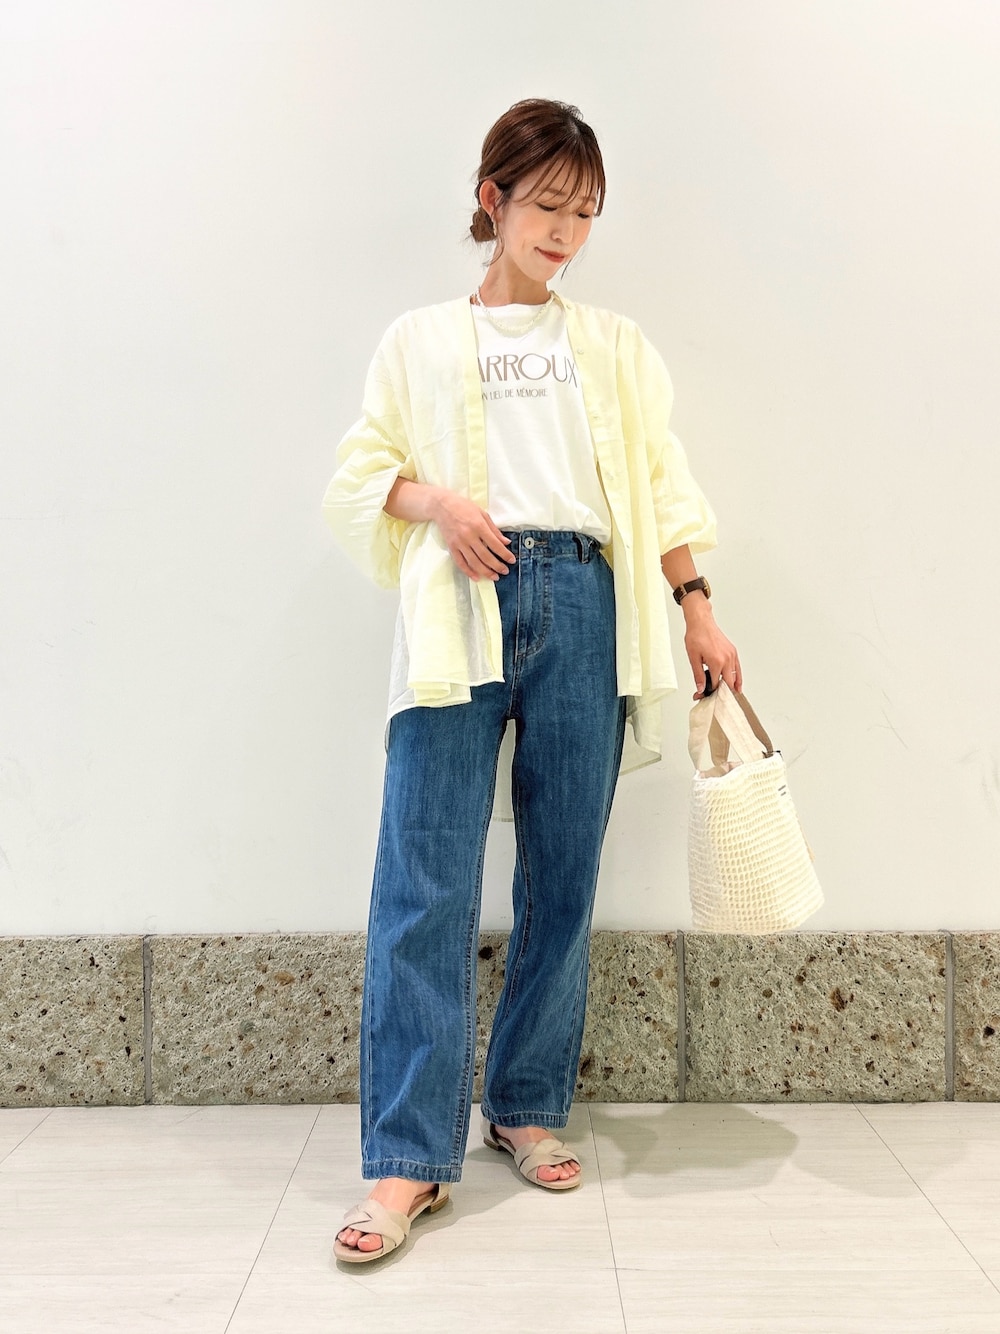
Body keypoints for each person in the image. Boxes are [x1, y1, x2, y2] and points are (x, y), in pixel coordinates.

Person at [322, 98, 741, 1264]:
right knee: (423, 875)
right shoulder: (418, 339)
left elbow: (657, 482)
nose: (565, 231)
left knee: (563, 870)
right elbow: (359, 475)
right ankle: (406, 1156)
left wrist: (697, 605)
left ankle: (524, 1099)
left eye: (586, 213)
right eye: (548, 204)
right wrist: (440, 503)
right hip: (458, 601)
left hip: (585, 600)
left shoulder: (612, 346)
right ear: (493, 198)